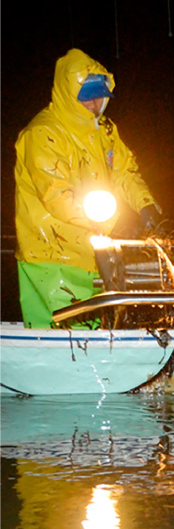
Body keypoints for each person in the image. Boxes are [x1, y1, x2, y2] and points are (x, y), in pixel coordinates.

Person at [14, 48, 161, 328]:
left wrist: (146, 206)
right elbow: (56, 195)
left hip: (95, 252)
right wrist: (106, 220)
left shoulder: (105, 130)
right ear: (68, 95)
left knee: (96, 333)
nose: (95, 103)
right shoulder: (42, 134)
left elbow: (124, 171)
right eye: (86, 97)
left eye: (100, 95)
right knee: (59, 335)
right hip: (50, 257)